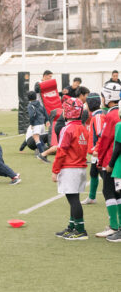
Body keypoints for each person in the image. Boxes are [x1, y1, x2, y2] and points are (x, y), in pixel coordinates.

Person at [52, 97, 89, 240]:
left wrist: (55, 170)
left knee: (73, 199)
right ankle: (72, 226)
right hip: (80, 167)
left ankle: (80, 230)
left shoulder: (67, 129)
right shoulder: (83, 128)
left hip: (70, 168)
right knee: (74, 199)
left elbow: (61, 151)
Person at [96, 82, 121, 240]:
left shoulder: (111, 116)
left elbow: (105, 140)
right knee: (117, 192)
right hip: (116, 160)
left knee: (108, 191)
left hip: (111, 160)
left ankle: (114, 226)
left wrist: (100, 160)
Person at [81, 93, 105, 205]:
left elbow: (101, 135)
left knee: (105, 176)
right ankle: (92, 197)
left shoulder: (98, 117)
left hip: (99, 153)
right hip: (96, 153)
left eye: (86, 103)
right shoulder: (96, 116)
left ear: (91, 104)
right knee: (93, 173)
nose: (85, 106)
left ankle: (115, 197)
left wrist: (97, 149)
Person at [27, 91, 50, 163]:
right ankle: (44, 155)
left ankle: (43, 155)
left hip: (36, 124)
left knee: (36, 139)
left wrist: (32, 124)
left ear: (28, 98)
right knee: (40, 139)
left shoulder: (30, 105)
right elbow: (45, 111)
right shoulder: (39, 103)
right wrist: (47, 120)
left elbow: (31, 115)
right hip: (42, 124)